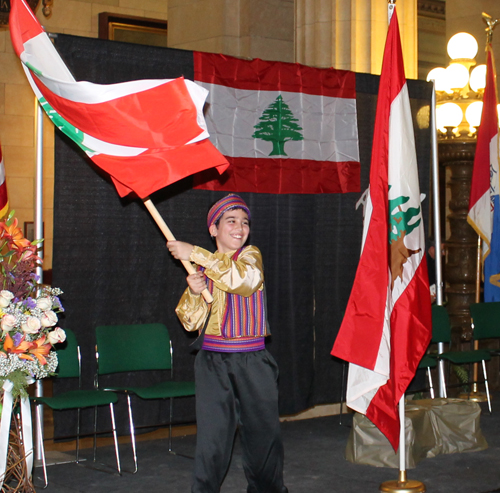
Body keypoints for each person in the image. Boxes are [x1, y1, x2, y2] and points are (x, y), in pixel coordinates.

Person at [167, 193, 288, 493]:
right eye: (231, 221)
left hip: (252, 362)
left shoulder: (249, 257)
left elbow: (244, 281)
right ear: (214, 229)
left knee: (263, 439)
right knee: (212, 442)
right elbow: (190, 322)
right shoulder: (202, 270)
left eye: (244, 222)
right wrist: (195, 291)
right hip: (212, 363)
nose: (240, 227)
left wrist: (195, 252)